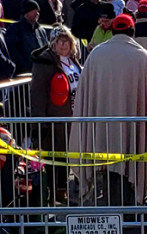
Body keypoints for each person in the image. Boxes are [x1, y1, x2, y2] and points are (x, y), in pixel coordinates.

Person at [69, 14, 147, 205]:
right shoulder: (142, 57)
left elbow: (83, 97)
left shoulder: (96, 55)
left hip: (101, 132)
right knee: (127, 169)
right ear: (132, 32)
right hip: (133, 134)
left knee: (109, 171)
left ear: (113, 31)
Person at [30, 26, 82, 205]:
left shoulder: (73, 61)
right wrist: (40, 123)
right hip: (54, 119)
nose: (63, 44)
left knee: (68, 156)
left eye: (66, 40)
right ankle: (54, 194)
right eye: (59, 41)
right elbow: (37, 94)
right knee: (54, 158)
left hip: (73, 118)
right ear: (52, 44)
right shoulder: (45, 64)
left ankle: (63, 191)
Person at [7, 0, 48, 76]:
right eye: (34, 10)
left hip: (41, 72)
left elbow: (46, 48)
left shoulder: (41, 30)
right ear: (26, 12)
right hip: (23, 74)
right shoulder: (15, 29)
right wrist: (25, 67)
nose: (37, 13)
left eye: (38, 11)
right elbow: (13, 51)